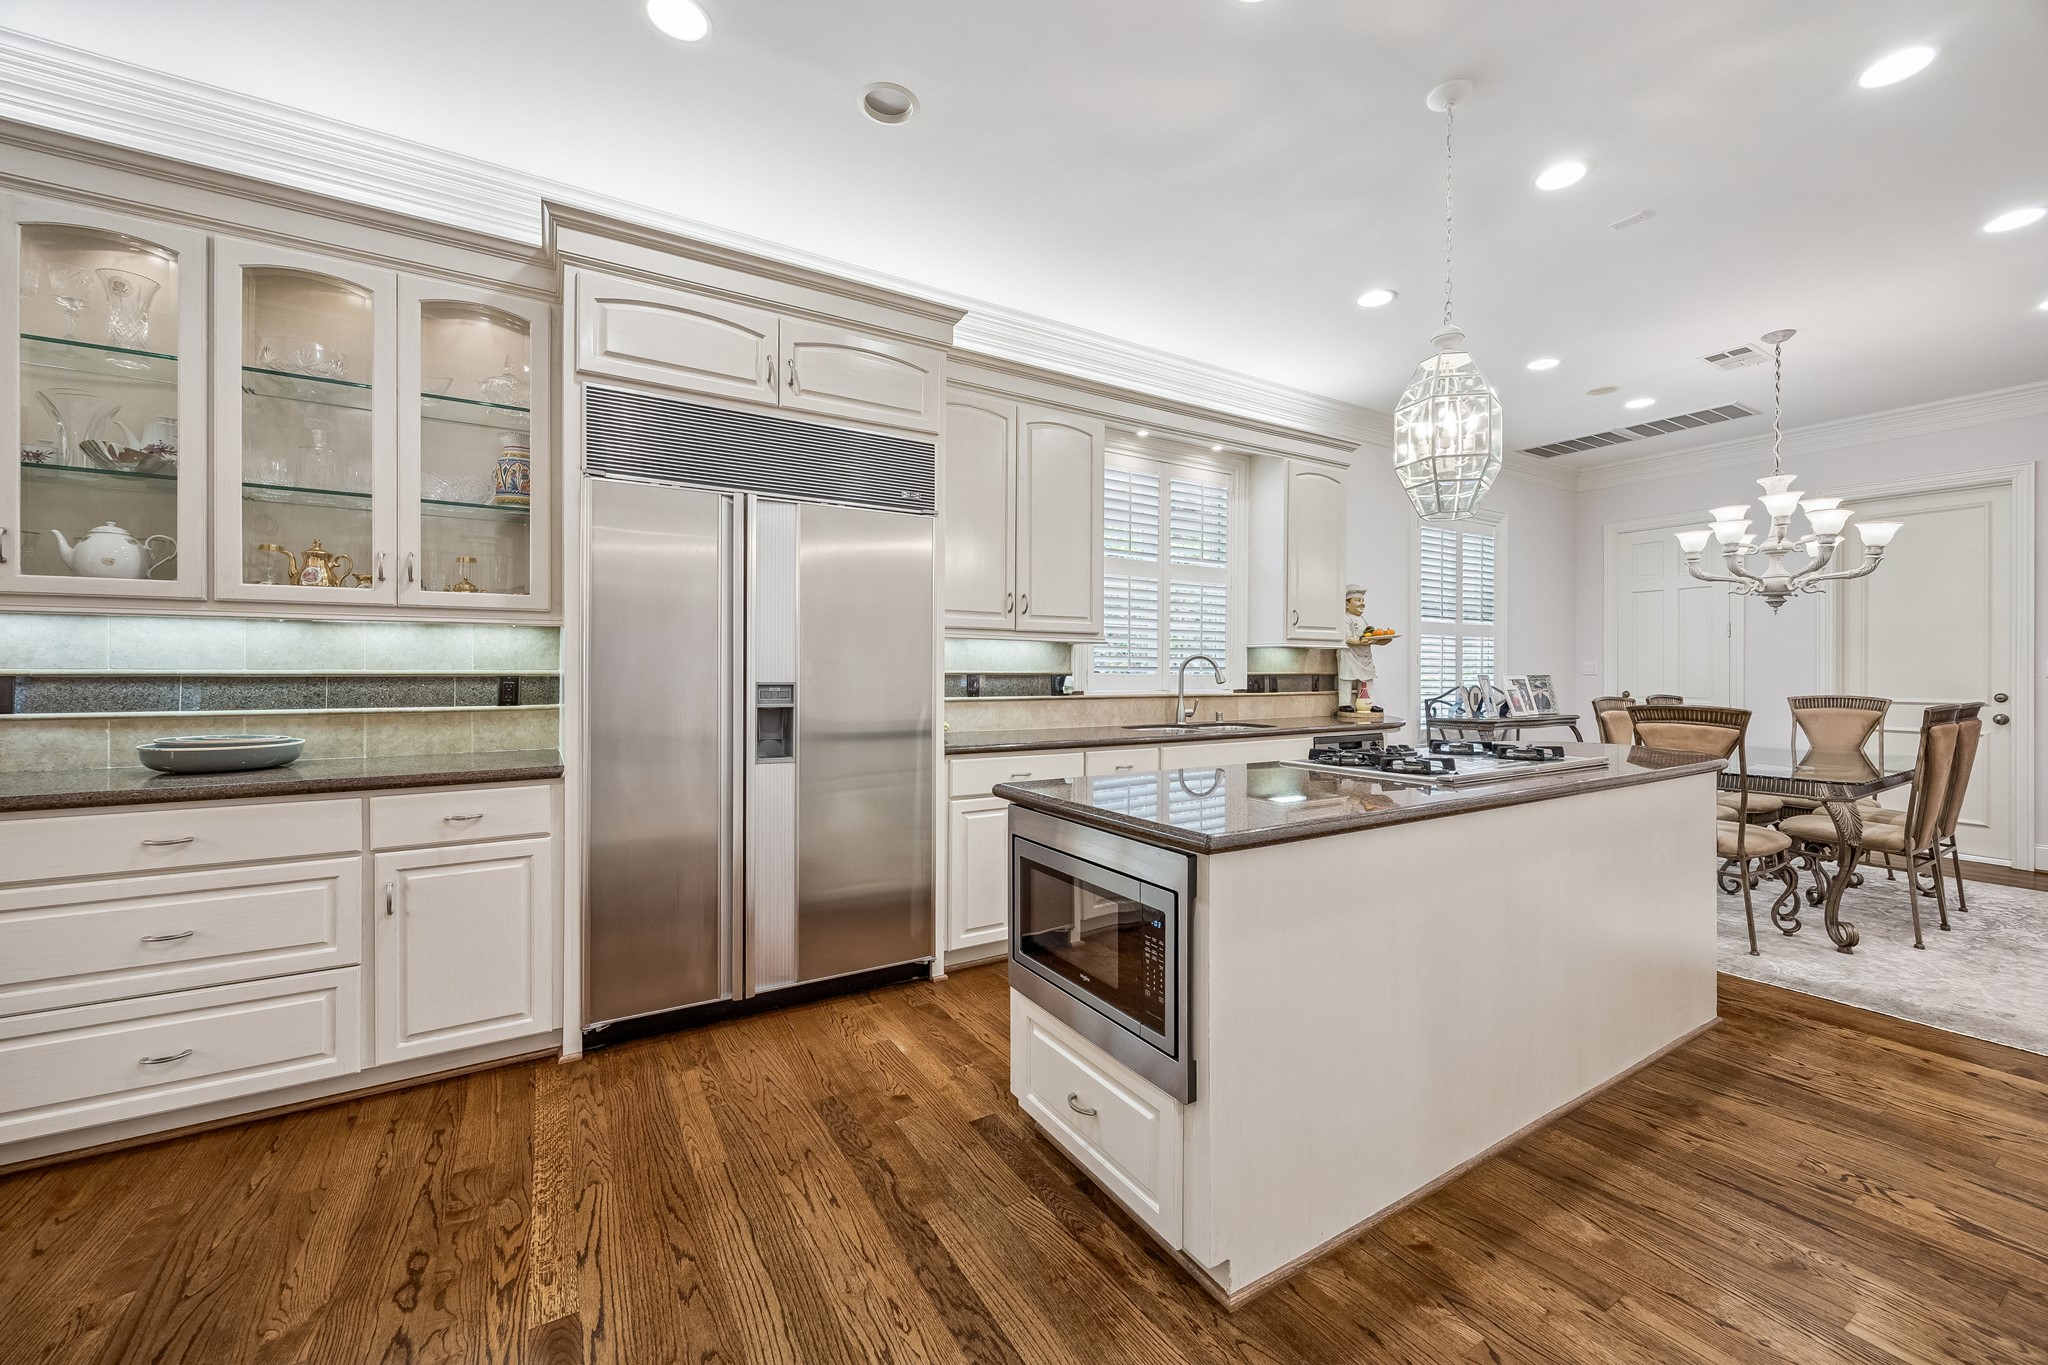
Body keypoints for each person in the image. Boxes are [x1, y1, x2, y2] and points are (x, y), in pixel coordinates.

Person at [1338, 584, 1385, 714]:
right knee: (1347, 678)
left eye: (1363, 600)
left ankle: (1368, 703)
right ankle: (1344, 703)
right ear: (1347, 604)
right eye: (1358, 600)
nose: (1362, 604)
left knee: (1367, 679)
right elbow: (1347, 638)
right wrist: (1360, 641)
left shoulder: (1362, 619)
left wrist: (1380, 640)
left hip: (1364, 654)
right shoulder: (1345, 618)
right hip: (1350, 654)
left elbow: (1367, 635)